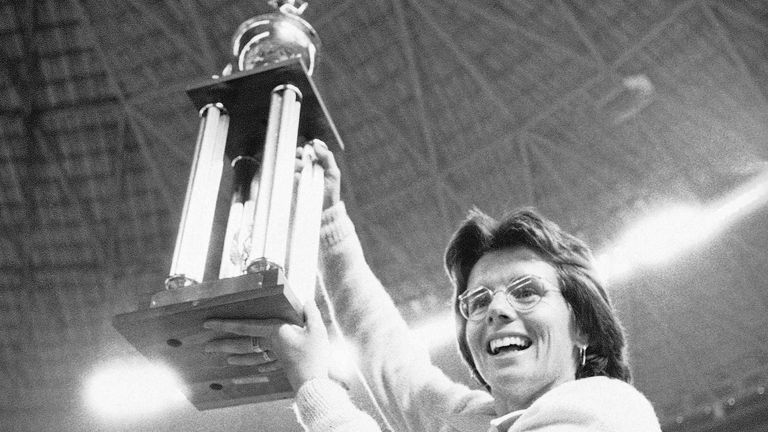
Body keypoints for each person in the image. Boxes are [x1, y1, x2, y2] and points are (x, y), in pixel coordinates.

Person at [203, 141, 662, 432]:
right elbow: (393, 363)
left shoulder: (609, 411)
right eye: (477, 301)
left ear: (582, 326)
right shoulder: (480, 423)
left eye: (526, 291)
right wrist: (328, 224)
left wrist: (315, 387)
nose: (495, 310)